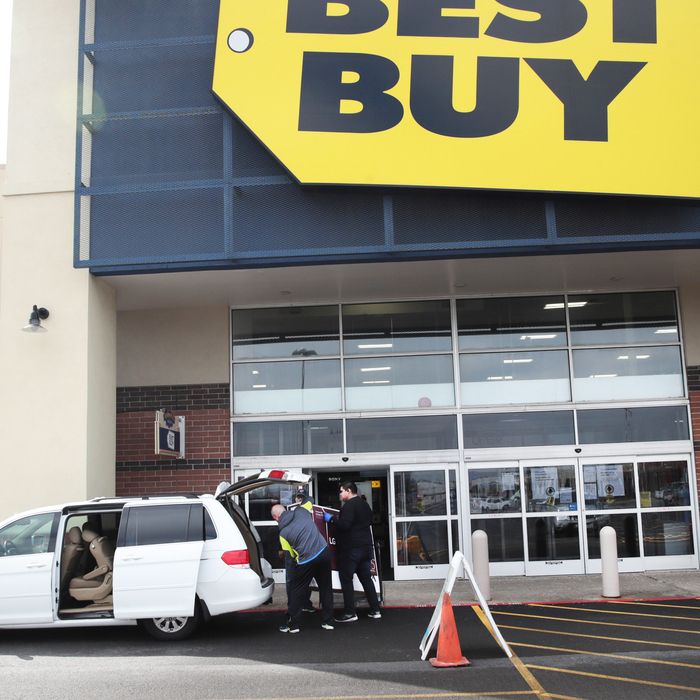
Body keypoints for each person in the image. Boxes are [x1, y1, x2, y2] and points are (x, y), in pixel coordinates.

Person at [271, 503, 334, 633]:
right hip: (323, 552)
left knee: (296, 591)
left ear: (276, 517)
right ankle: (328, 622)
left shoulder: (283, 533)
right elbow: (310, 501)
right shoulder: (301, 511)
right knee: (326, 588)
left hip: (306, 561)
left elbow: (291, 555)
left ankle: (294, 625)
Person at [326, 481, 381, 622]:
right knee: (366, 578)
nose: (340, 494)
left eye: (341, 491)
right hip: (366, 547)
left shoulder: (349, 506)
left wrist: (331, 520)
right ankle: (375, 610)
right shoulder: (365, 504)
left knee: (346, 579)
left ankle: (350, 613)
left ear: (349, 491)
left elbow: (345, 525)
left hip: (351, 549)